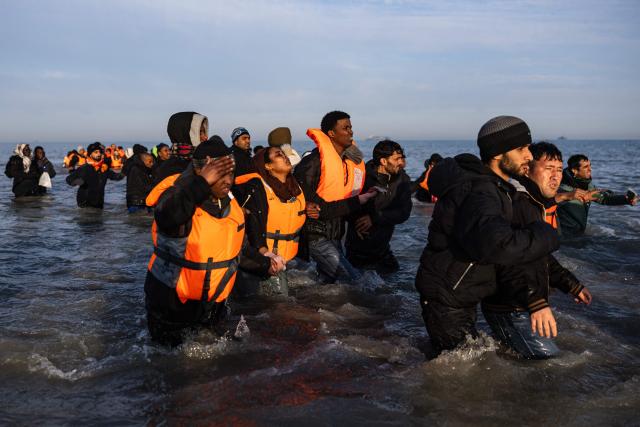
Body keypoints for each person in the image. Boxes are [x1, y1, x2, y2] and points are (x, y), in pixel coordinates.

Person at [414, 116, 560, 353]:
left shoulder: (494, 187)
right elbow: (498, 245)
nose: (529, 156)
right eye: (521, 149)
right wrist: (546, 233)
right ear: (497, 153)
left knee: (457, 361)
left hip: (457, 293)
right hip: (447, 298)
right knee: (458, 376)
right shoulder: (481, 192)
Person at [144, 138, 282, 346]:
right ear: (202, 172)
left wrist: (265, 265)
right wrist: (202, 183)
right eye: (221, 174)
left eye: (231, 173)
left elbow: (236, 251)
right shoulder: (178, 196)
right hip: (171, 304)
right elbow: (166, 215)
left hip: (212, 306)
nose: (229, 180)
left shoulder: (229, 204)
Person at [482, 142, 592, 359]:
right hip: (510, 306)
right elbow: (505, 258)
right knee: (551, 367)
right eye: (548, 168)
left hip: (521, 302)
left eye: (559, 170)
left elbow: (539, 256)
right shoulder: (518, 202)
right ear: (527, 168)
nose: (556, 176)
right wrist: (536, 301)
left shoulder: (536, 203)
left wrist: (571, 284)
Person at [294, 110, 377, 284]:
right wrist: (307, 204)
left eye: (351, 127)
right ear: (331, 133)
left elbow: (341, 200)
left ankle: (314, 306)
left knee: (329, 282)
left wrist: (360, 217)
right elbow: (300, 196)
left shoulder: (347, 163)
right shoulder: (312, 162)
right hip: (315, 234)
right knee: (353, 282)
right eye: (345, 128)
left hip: (336, 233)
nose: (351, 132)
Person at [233, 146, 308, 297]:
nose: (285, 156)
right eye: (278, 154)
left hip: (285, 260)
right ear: (268, 166)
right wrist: (264, 253)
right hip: (265, 260)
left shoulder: (294, 186)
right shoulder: (257, 187)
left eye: (283, 153)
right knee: (281, 308)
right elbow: (253, 223)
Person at [345, 140, 412, 274]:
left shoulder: (403, 179)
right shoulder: (362, 176)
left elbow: (404, 212)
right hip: (358, 251)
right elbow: (346, 204)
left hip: (383, 249)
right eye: (396, 158)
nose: (401, 162)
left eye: (401, 158)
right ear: (383, 161)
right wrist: (356, 219)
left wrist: (375, 217)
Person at [557, 154, 637, 237]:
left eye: (590, 166)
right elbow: (549, 203)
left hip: (578, 234)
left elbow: (604, 199)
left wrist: (625, 199)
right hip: (563, 238)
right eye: (585, 167)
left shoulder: (588, 185)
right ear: (575, 170)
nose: (590, 169)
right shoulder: (561, 187)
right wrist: (568, 197)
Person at [153, 112, 208, 184]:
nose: (206, 137)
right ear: (185, 134)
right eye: (200, 133)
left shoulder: (199, 161)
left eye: (205, 132)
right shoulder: (173, 169)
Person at [66, 142, 124, 208]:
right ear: (90, 154)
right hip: (85, 202)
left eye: (99, 152)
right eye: (96, 152)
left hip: (99, 202)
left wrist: (125, 172)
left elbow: (116, 177)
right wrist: (78, 181)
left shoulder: (104, 168)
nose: (99, 154)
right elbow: (68, 179)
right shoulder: (84, 168)